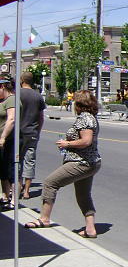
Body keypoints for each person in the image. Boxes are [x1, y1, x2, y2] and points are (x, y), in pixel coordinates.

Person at [25, 90, 102, 238]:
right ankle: (90, 228)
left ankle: (44, 218)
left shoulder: (85, 118)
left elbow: (86, 141)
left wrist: (67, 143)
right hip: (90, 162)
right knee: (83, 195)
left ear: (79, 103)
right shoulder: (89, 117)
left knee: (50, 183)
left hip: (81, 162)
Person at [19, 71, 46, 200]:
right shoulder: (38, 96)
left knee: (17, 160)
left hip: (18, 133)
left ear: (22, 80)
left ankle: (17, 188)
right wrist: (38, 131)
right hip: (32, 133)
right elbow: (41, 118)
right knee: (30, 161)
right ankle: (27, 191)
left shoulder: (16, 94)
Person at [0, 76, 16, 209]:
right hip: (5, 141)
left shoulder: (11, 99)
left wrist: (3, 137)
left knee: (11, 169)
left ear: (3, 87)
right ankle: (5, 196)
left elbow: (11, 119)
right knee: (4, 169)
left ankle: (12, 199)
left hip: (10, 141)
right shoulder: (5, 100)